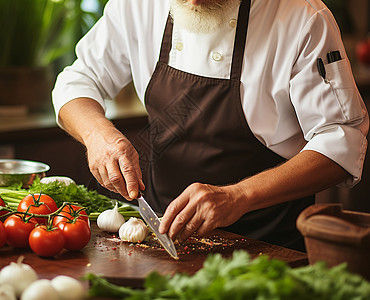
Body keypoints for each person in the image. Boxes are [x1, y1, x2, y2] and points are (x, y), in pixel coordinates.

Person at [52, 0, 369, 251]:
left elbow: (340, 144)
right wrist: (98, 135)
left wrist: (238, 196)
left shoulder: (303, 19)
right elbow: (77, 80)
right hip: (160, 238)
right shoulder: (138, 5)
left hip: (268, 247)